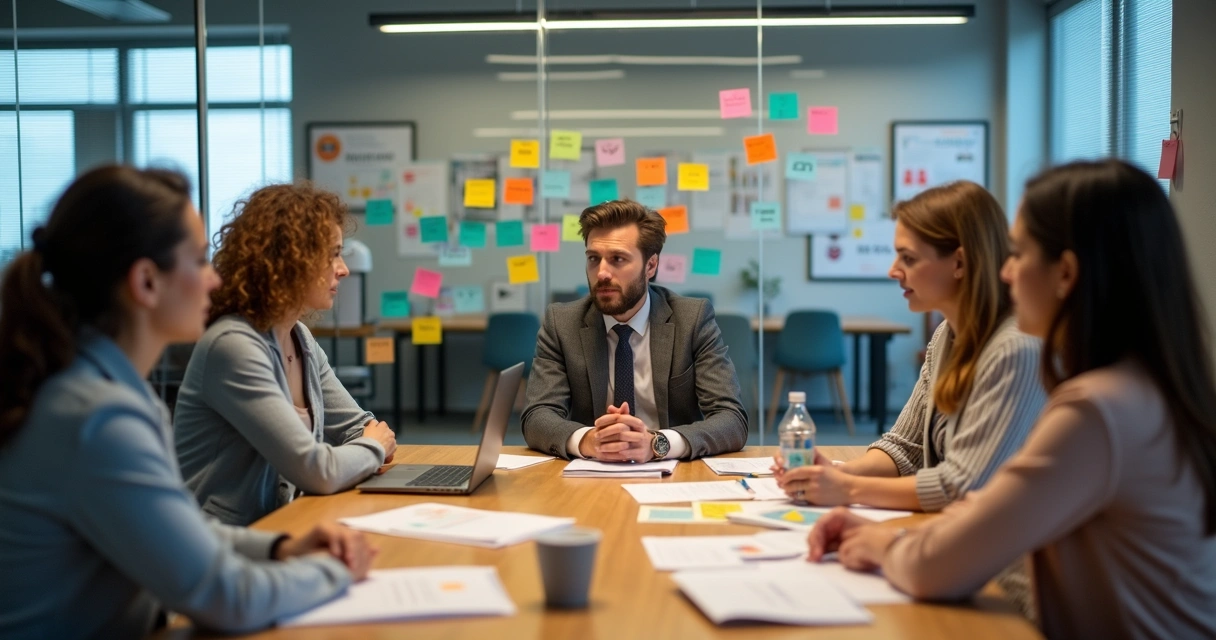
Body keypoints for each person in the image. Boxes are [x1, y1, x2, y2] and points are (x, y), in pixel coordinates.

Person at [808, 159, 1216, 638]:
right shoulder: (1140, 387)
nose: (1004, 271)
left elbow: (935, 566)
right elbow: (985, 508)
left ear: (1065, 273)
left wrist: (880, 542)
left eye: (1018, 253)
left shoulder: (1096, 411)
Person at [0, 166, 374, 639]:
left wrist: (280, 549)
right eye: (198, 261)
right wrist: (340, 571)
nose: (213, 280)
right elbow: (230, 599)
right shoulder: (98, 419)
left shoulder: (110, 394)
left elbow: (174, 530)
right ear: (147, 283)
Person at [776, 181, 1046, 512]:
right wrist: (831, 474)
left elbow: (961, 486)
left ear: (959, 263)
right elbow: (906, 447)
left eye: (908, 258)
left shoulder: (1014, 350)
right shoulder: (947, 334)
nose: (893, 271)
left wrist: (847, 488)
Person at [174, 183, 397, 526]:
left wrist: (367, 444)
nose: (343, 269)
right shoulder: (233, 345)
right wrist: (372, 448)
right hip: (222, 546)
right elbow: (317, 470)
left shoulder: (299, 337)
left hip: (282, 524)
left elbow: (358, 427)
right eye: (332, 254)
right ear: (290, 260)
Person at [522, 199, 747, 461]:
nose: (602, 273)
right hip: (591, 473)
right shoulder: (562, 323)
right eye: (594, 259)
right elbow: (537, 416)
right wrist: (588, 440)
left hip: (673, 472)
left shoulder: (691, 320)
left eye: (618, 259)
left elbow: (732, 418)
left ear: (650, 266)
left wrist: (657, 443)